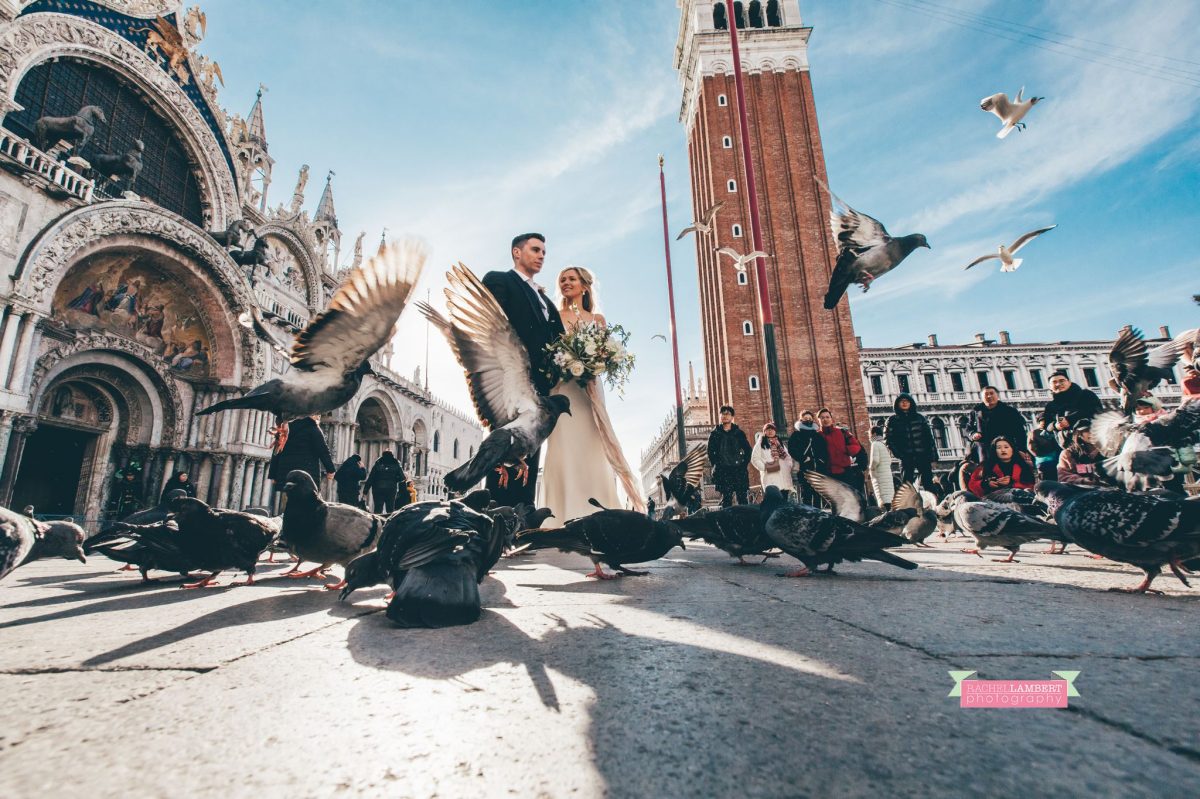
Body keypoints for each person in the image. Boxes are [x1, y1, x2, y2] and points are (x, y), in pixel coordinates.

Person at [541, 266, 646, 525]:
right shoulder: (554, 315)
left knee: (591, 445)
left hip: (589, 391)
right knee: (563, 444)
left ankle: (598, 514)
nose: (566, 283)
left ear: (584, 286)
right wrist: (565, 362)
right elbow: (548, 353)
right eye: (562, 279)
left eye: (571, 279)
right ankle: (559, 516)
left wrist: (597, 363)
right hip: (563, 389)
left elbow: (604, 353)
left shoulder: (597, 319)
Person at [481, 233, 566, 506]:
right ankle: (495, 516)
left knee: (530, 449)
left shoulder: (545, 299)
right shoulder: (499, 280)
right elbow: (488, 326)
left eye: (544, 251)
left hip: (541, 385)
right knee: (504, 446)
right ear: (517, 253)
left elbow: (558, 338)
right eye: (536, 249)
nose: (542, 255)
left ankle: (523, 518)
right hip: (511, 383)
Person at [268, 414, 335, 491]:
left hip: (287, 475)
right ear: (310, 415)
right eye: (317, 414)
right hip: (306, 474)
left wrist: (272, 474)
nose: (318, 417)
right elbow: (323, 450)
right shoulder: (313, 428)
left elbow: (277, 451)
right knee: (305, 499)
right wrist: (331, 470)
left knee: (289, 497)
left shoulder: (285, 429)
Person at [883, 393, 936, 488]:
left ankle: (933, 501)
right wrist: (899, 454)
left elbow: (929, 439)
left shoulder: (920, 418)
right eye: (901, 401)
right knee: (907, 485)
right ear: (897, 404)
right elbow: (888, 440)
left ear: (911, 403)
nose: (904, 403)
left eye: (906, 401)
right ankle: (908, 503)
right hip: (906, 457)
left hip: (923, 455)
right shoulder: (892, 420)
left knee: (928, 482)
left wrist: (933, 457)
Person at [964, 386, 1028, 461]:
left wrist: (1021, 449)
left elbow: (1020, 432)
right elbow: (968, 428)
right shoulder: (975, 412)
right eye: (986, 394)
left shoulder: (1010, 411)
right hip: (984, 451)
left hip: (1005, 449)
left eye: (991, 393)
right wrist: (973, 434)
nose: (989, 396)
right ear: (982, 397)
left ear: (997, 395)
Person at [1043, 370, 1103, 446]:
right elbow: (1046, 426)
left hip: (1092, 440)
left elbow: (1096, 411)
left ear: (1069, 382)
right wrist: (1055, 425)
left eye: (1062, 381)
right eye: (1054, 382)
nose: (1058, 384)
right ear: (1050, 387)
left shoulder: (1086, 394)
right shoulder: (1051, 406)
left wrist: (1069, 419)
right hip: (1069, 445)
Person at [708, 405, 752, 507]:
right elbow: (710, 452)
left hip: (738, 470)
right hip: (723, 470)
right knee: (726, 499)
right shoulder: (715, 434)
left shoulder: (739, 433)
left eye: (727, 414)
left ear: (732, 417)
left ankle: (745, 521)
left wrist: (744, 463)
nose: (725, 416)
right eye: (723, 413)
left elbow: (747, 449)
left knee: (742, 498)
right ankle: (727, 522)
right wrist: (716, 464)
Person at [815, 407, 866, 494]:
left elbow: (856, 445)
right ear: (818, 420)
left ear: (832, 419)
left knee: (849, 496)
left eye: (827, 417)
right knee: (835, 499)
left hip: (845, 471)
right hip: (828, 472)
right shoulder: (817, 436)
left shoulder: (842, 432)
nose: (825, 419)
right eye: (822, 418)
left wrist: (847, 450)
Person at [967, 435, 1036, 496]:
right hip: (993, 500)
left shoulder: (1023, 465)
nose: (1003, 450)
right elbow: (972, 484)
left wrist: (1012, 484)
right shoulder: (985, 466)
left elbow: (1032, 485)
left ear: (1012, 449)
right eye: (999, 448)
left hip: (1020, 499)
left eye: (1006, 447)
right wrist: (986, 484)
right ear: (994, 450)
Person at [787, 409, 829, 506]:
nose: (808, 420)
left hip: (818, 468)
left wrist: (821, 460)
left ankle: (818, 514)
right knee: (806, 493)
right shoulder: (796, 434)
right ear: (801, 420)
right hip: (804, 468)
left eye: (810, 418)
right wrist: (803, 458)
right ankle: (808, 513)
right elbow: (792, 449)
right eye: (805, 418)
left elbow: (824, 450)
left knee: (818, 493)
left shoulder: (817, 435)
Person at [750, 422, 795, 498]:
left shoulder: (779, 443)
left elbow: (787, 457)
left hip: (784, 476)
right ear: (764, 432)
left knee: (784, 501)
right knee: (774, 501)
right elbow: (754, 458)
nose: (770, 431)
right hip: (770, 477)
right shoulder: (760, 444)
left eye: (772, 429)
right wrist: (764, 467)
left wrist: (788, 465)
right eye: (768, 430)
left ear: (775, 431)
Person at [363, 450, 406, 515]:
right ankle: (389, 524)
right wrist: (395, 480)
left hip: (378, 489)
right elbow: (403, 478)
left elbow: (371, 478)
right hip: (391, 489)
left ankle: (376, 523)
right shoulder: (396, 464)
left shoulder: (378, 463)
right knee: (390, 509)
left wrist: (365, 491)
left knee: (378, 508)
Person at [1027, 414, 1061, 482]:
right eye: (1041, 421)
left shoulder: (1054, 432)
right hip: (1044, 462)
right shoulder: (1034, 433)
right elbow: (1032, 448)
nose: (1043, 423)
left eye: (1045, 422)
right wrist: (1044, 454)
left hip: (1057, 461)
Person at [867, 424, 895, 506]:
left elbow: (875, 460)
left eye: (869, 434)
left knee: (882, 495)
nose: (869, 437)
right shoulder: (884, 444)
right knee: (889, 496)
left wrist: (871, 469)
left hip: (879, 474)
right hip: (887, 473)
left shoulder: (875, 444)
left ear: (874, 434)